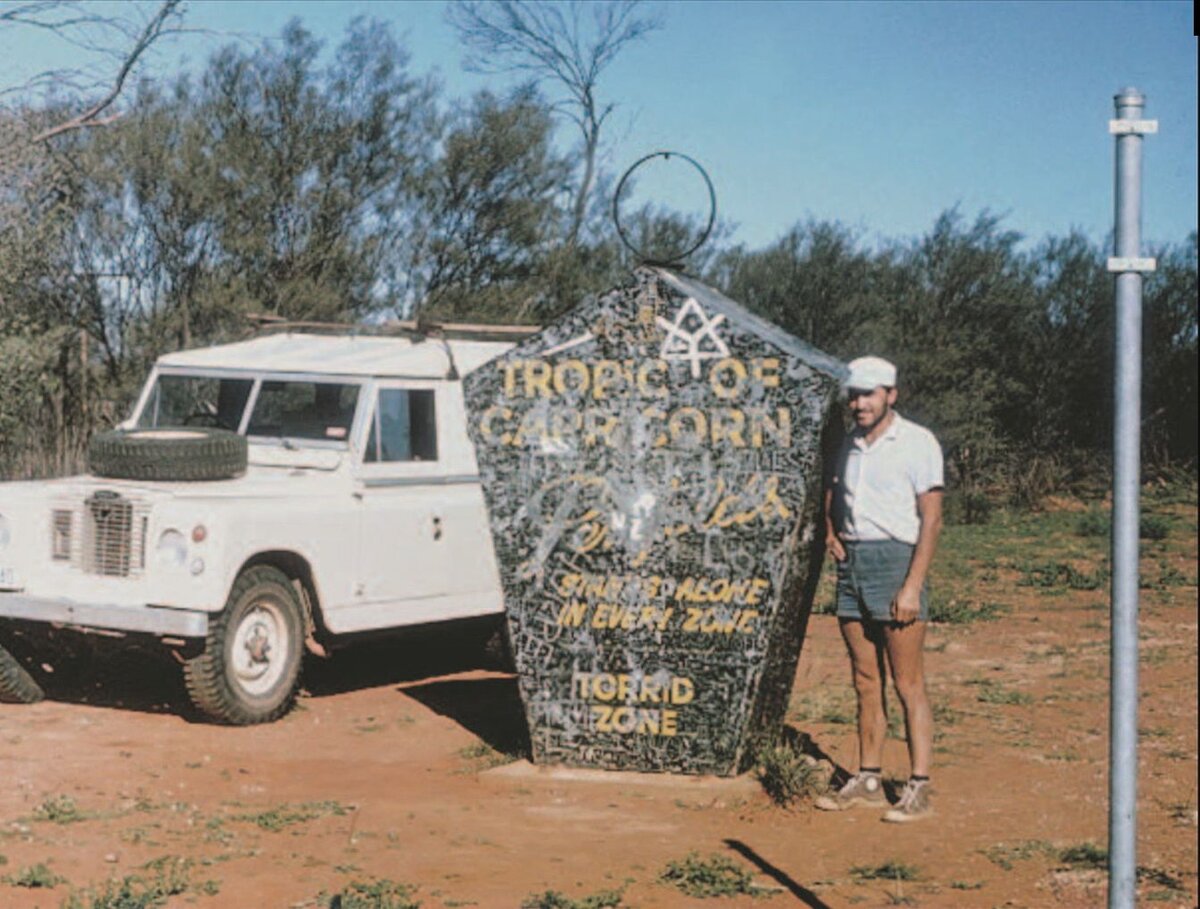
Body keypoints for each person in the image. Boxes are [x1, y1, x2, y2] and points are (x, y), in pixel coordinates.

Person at [815, 355, 944, 822]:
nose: (859, 402)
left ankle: (919, 785)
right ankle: (868, 776)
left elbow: (931, 518)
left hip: (896, 561)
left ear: (891, 394)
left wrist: (911, 586)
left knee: (908, 682)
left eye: (869, 393)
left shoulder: (917, 443)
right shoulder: (847, 444)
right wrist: (832, 531)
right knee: (866, 680)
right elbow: (833, 492)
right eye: (854, 394)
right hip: (854, 565)